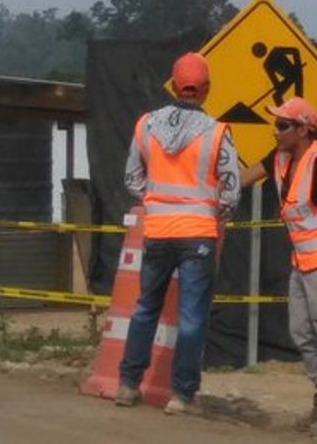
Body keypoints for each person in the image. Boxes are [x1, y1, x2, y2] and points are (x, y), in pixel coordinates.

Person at [115, 52, 241, 414]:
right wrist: (215, 214)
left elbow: (131, 178)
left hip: (157, 230)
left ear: (173, 84)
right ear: (206, 89)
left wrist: (155, 201)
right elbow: (231, 191)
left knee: (144, 309)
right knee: (191, 316)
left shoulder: (146, 125)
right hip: (198, 234)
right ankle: (182, 395)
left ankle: (127, 384)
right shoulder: (217, 132)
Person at [240, 96, 317, 433]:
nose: (275, 131)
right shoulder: (280, 159)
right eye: (276, 124)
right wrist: (212, 186)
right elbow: (246, 177)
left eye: (282, 125)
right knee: (302, 333)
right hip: (302, 263)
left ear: (304, 129)